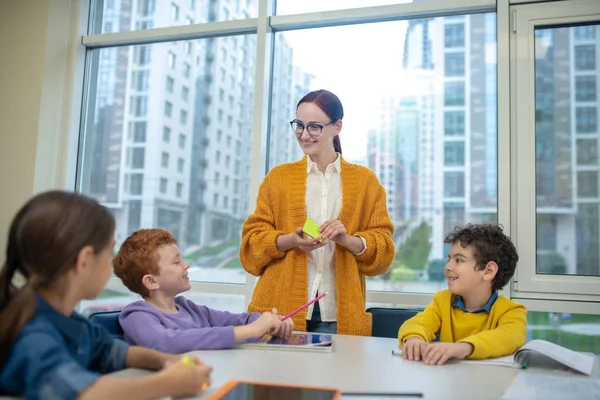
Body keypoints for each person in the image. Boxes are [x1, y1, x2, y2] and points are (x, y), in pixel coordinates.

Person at [0, 191, 212, 399]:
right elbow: (84, 394)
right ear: (84, 261)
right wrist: (170, 383)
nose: (112, 263)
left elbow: (115, 352)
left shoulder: (68, 320)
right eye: (109, 252)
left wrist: (168, 362)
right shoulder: (35, 335)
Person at [240, 89, 395, 336]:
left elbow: (384, 252)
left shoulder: (366, 182)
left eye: (314, 127)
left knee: (341, 376)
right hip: (280, 314)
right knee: (274, 376)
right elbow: (250, 248)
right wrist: (290, 240)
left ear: (337, 127)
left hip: (338, 316)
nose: (304, 134)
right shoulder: (278, 179)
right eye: (299, 125)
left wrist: (347, 240)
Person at [113, 228, 293, 353]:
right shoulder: (137, 316)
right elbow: (168, 342)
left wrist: (267, 322)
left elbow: (238, 320)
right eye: (176, 262)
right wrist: (250, 331)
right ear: (151, 281)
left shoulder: (189, 309)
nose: (186, 264)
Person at [398, 223, 527, 365]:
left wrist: (463, 348)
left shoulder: (511, 311)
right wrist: (414, 338)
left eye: (459, 260)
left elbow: (510, 337)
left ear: (488, 271)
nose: (447, 267)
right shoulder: (443, 301)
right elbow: (418, 323)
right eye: (449, 259)